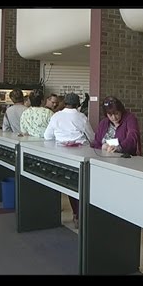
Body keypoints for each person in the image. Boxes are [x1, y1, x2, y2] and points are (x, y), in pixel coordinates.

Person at [44, 92, 95, 228]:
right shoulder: (81, 116)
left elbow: (47, 136)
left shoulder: (56, 116)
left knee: (71, 184)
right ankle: (81, 215)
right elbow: (92, 137)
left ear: (64, 103)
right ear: (78, 104)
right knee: (83, 186)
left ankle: (75, 214)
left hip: (62, 155)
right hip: (81, 154)